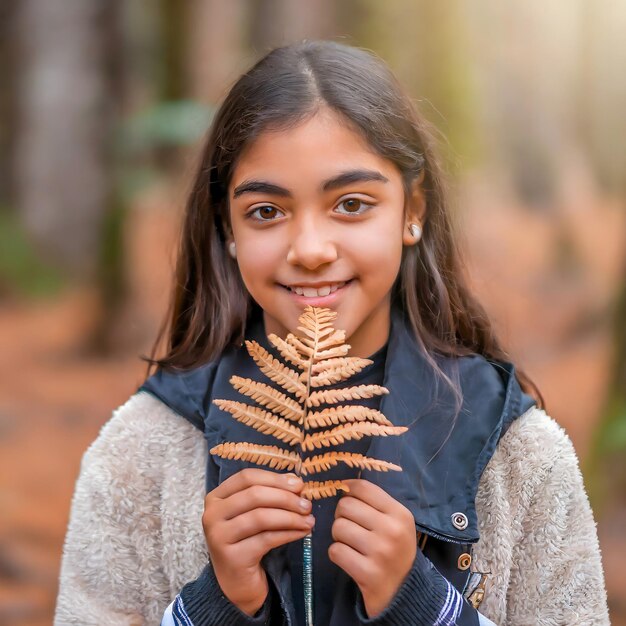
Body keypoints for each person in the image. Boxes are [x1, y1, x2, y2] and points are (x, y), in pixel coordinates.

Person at [54, 40, 610, 626]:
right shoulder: (143, 452)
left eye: (351, 203)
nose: (311, 250)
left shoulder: (518, 455)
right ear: (229, 228)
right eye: (267, 211)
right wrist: (214, 607)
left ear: (412, 210)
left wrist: (430, 610)